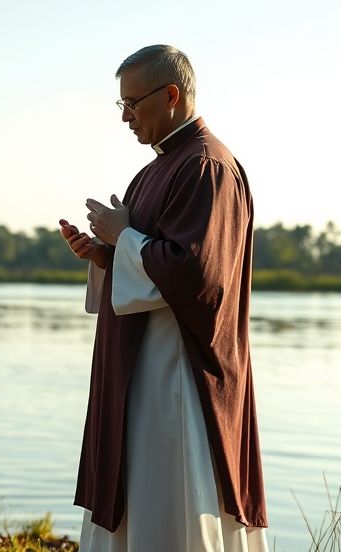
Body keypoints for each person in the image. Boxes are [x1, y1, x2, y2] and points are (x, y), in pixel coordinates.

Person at [59, 45, 269, 551]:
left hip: (175, 377)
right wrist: (107, 254)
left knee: (168, 496)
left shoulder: (207, 166)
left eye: (133, 103)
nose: (126, 116)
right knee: (137, 492)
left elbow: (198, 276)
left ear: (171, 94)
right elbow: (155, 265)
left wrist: (125, 238)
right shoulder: (158, 168)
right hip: (141, 370)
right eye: (121, 105)